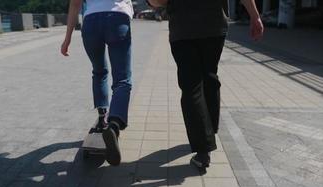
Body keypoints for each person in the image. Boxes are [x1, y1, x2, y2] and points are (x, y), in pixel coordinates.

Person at [147, 0, 264, 171]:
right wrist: (255, 16)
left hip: (183, 27)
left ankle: (203, 150)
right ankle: (209, 129)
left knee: (191, 85)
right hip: (214, 25)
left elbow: (158, 1)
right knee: (209, 76)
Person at [61, 0, 134, 166]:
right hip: (117, 18)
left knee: (99, 72)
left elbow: (75, 4)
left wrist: (67, 39)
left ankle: (102, 118)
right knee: (122, 79)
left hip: (91, 22)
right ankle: (114, 125)